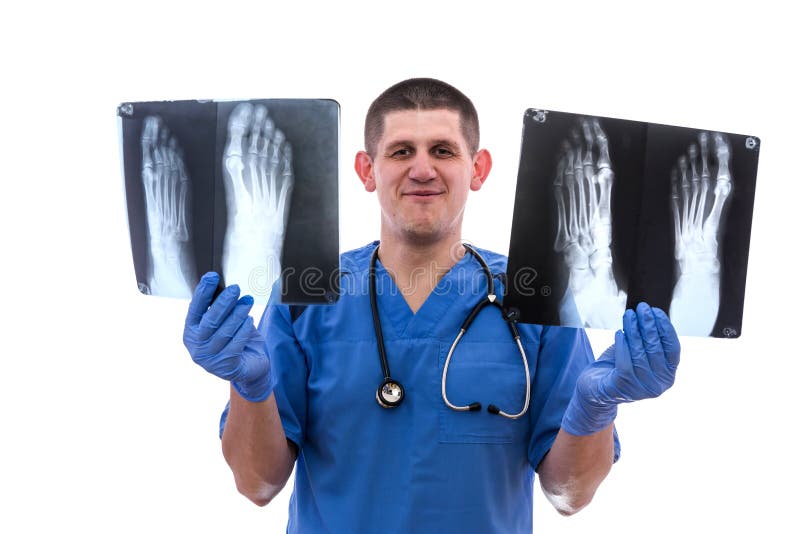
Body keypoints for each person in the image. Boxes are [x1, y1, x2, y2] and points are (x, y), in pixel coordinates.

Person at [182, 78, 680, 533]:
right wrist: (248, 385)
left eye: (443, 150)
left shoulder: (537, 295)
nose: (423, 169)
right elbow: (257, 485)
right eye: (401, 151)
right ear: (367, 169)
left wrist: (596, 407)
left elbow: (569, 494)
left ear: (478, 168)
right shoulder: (305, 293)